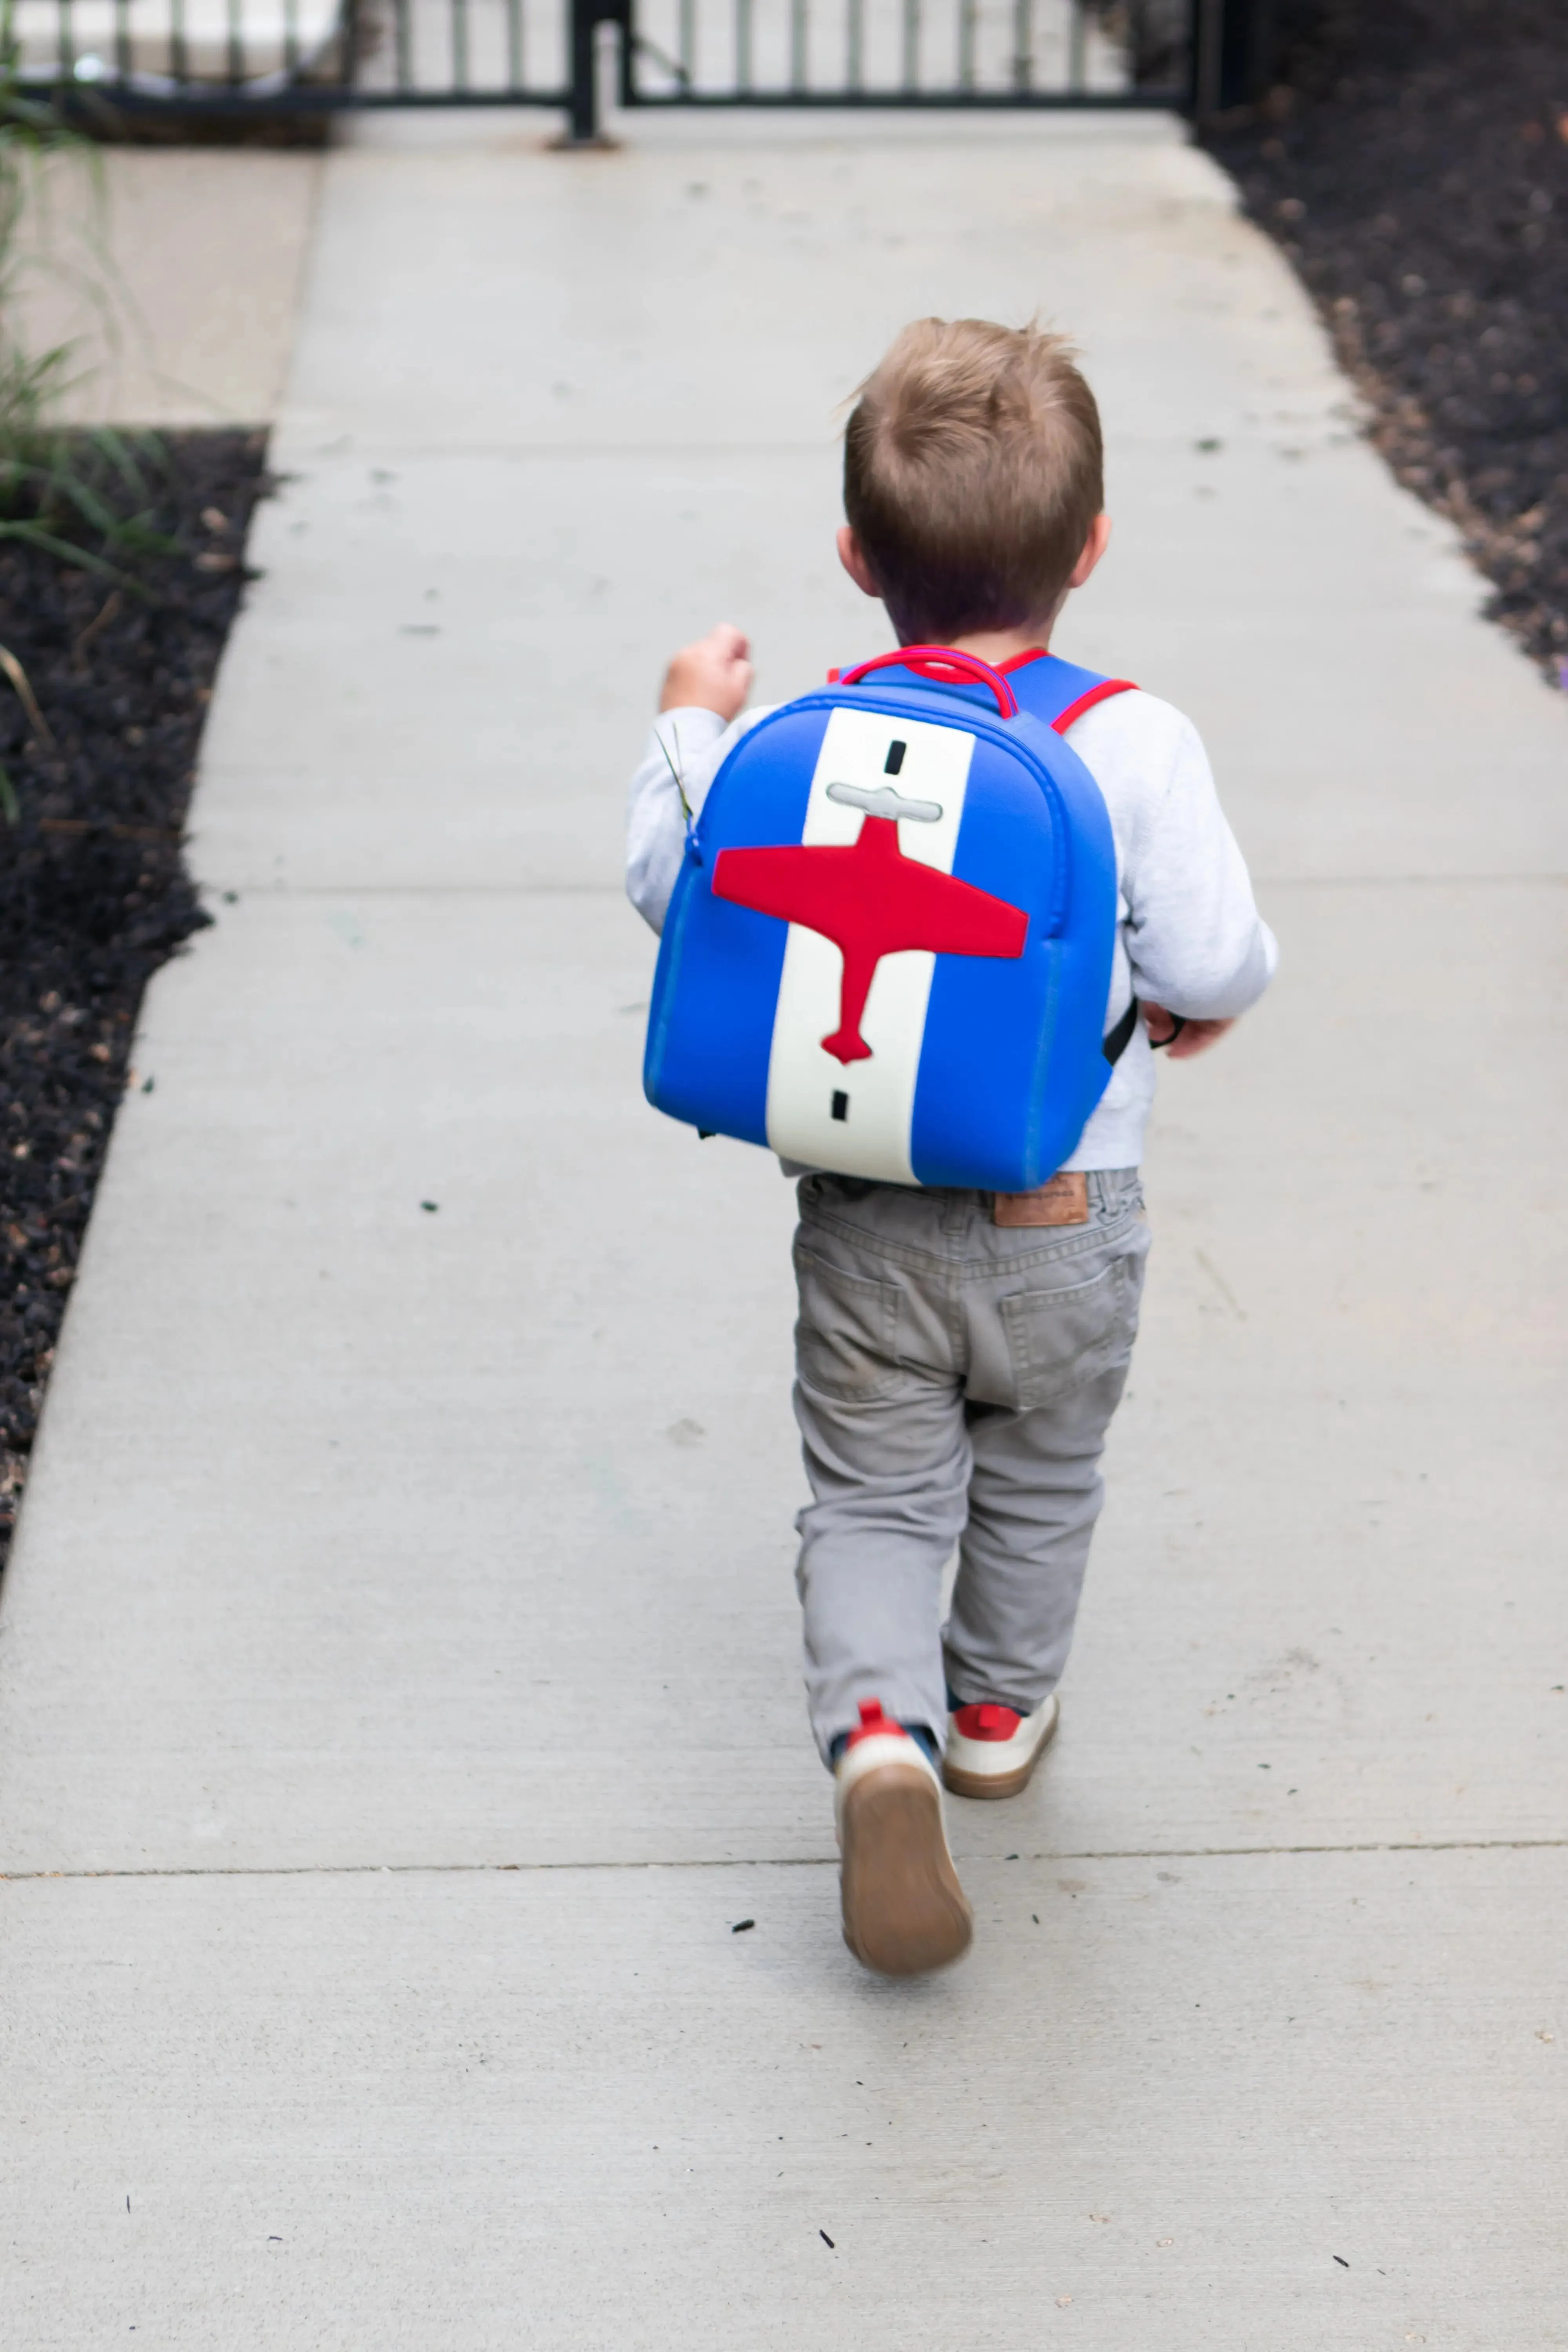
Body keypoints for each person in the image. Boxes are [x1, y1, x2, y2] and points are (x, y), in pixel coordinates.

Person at [625, 318, 1277, 1978]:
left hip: (864, 1215)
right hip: (1073, 1214)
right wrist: (1192, 1011)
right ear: (1093, 546)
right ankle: (993, 1716)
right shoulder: (1134, 741)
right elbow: (1210, 961)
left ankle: (876, 1739)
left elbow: (676, 891)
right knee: (1043, 1474)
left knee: (870, 1502)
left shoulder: (816, 743)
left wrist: (691, 725)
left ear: (856, 558)